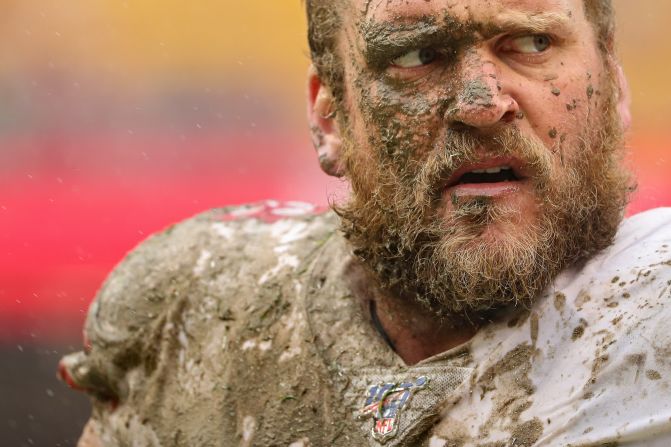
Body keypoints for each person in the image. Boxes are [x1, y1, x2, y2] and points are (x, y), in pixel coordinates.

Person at [59, 0, 671, 445]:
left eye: (532, 43)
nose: (484, 104)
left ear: (614, 86)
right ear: (330, 117)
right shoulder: (195, 317)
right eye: (413, 55)